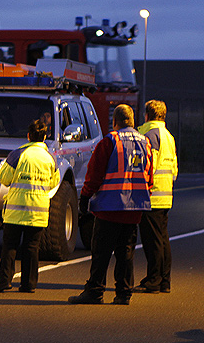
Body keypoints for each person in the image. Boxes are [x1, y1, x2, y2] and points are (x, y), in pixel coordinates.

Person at [68, 104, 153, 305]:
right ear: (132, 122)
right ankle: (123, 294)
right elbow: (149, 174)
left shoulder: (110, 141)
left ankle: (95, 291)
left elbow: (95, 173)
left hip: (109, 208)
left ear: (115, 121)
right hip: (134, 209)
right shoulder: (145, 142)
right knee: (126, 252)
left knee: (101, 253)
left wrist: (85, 197)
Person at [0, 119, 60, 293]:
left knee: (10, 246)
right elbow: (54, 182)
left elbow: (5, 179)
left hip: (15, 211)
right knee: (32, 247)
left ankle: (4, 282)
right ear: (44, 137)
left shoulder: (17, 154)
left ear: (28, 136)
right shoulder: (50, 158)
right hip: (38, 212)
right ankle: (29, 284)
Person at [134, 100, 178, 294]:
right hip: (165, 193)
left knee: (152, 240)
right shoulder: (169, 136)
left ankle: (153, 280)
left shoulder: (148, 135)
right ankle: (164, 281)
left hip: (151, 195)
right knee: (162, 238)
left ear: (147, 115)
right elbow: (174, 170)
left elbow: (146, 167)